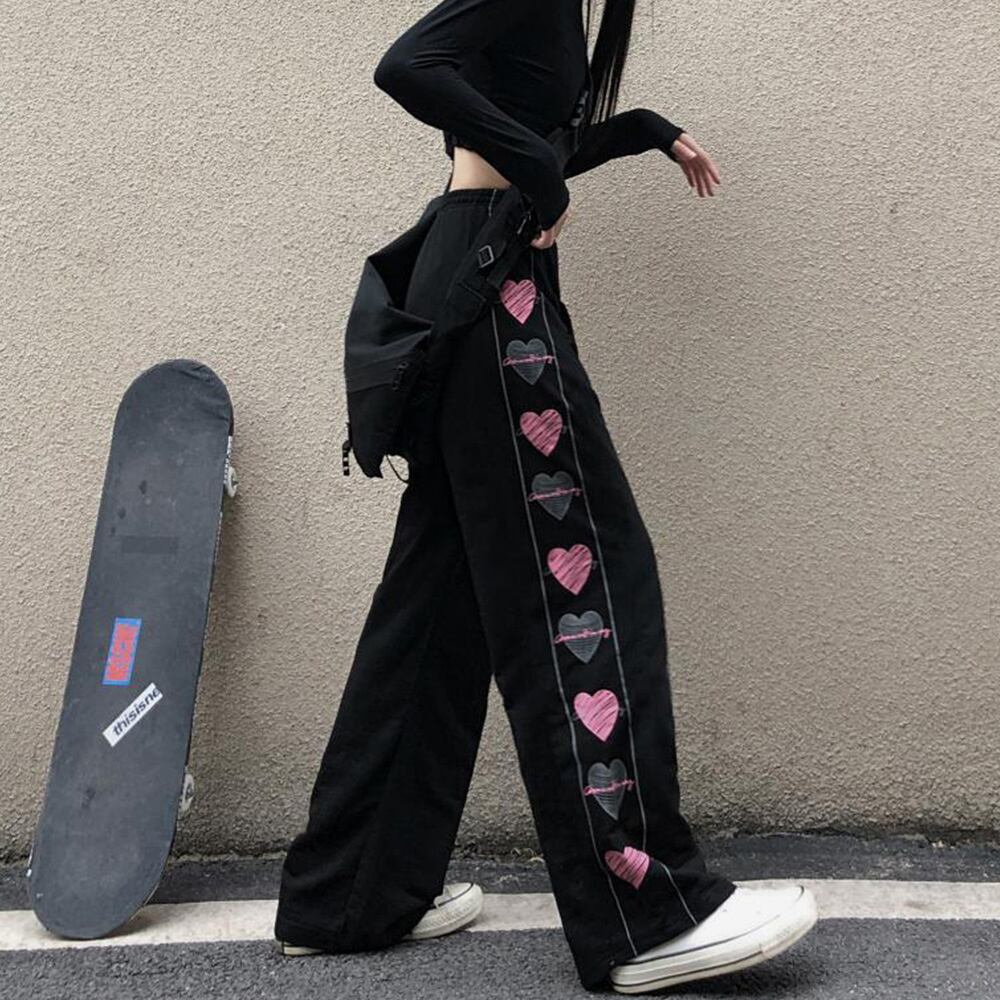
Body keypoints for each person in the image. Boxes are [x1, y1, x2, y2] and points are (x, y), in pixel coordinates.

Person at [273, 0, 818, 992]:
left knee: (435, 610)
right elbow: (408, 65)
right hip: (497, 299)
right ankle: (641, 911)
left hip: (480, 279)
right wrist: (539, 169)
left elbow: (520, 123)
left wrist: (640, 130)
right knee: (588, 580)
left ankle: (346, 893)